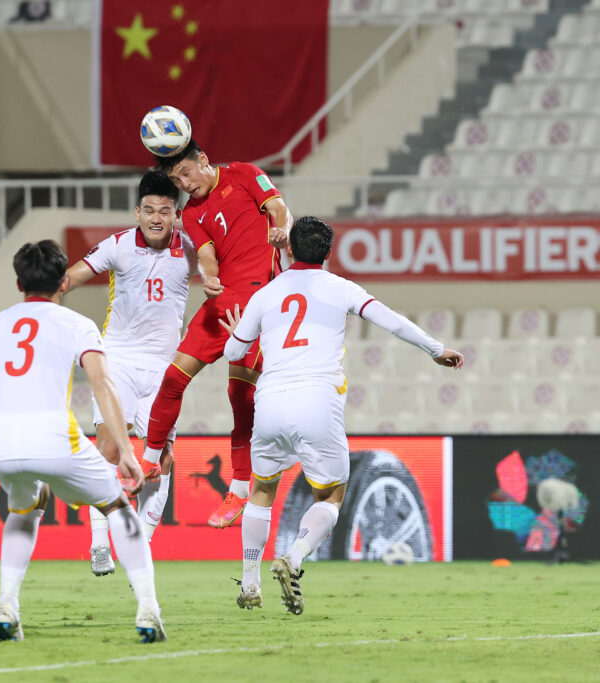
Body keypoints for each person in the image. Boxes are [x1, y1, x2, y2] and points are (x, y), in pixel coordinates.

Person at [0, 240, 166, 644]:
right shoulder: (77, 325)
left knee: (26, 506)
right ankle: (148, 610)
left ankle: (7, 603)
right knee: (118, 507)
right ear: (64, 282)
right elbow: (103, 384)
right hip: (55, 439)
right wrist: (125, 450)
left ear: (19, 282)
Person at [220, 216, 463, 613]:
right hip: (317, 401)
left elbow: (233, 354)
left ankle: (250, 583)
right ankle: (294, 557)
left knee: (262, 491)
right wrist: (436, 349)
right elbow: (393, 322)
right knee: (331, 495)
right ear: (329, 254)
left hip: (269, 402)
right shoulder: (341, 288)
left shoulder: (265, 294)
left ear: (290, 250)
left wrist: (236, 334)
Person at [143, 138, 294, 528]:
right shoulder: (192, 212)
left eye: (186, 173)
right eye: (176, 179)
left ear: (204, 160)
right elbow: (207, 255)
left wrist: (281, 230)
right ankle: (147, 461)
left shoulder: (244, 173)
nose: (184, 183)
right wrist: (208, 278)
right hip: (221, 303)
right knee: (173, 378)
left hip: (260, 302)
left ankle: (240, 489)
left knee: (239, 396)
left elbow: (278, 208)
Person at [65, 170, 196, 575]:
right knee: (108, 447)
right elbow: (72, 277)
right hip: (117, 360)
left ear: (176, 215)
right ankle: (100, 543)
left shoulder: (191, 247)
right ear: (137, 212)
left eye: (166, 211)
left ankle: (142, 545)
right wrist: (43, 299)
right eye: (150, 210)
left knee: (162, 460)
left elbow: (224, 272)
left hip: (164, 369)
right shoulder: (118, 246)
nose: (157, 218)